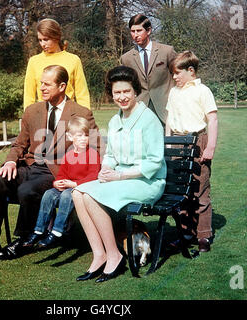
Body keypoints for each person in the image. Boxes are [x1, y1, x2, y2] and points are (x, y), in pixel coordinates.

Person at [0, 65, 102, 267]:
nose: (41, 88)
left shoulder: (81, 113)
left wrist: (75, 180)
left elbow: (95, 149)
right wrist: (11, 161)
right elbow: (20, 143)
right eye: (41, 83)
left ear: (62, 86)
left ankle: (23, 240)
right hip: (29, 166)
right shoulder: (32, 111)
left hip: (56, 172)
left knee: (27, 190)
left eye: (47, 84)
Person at [72, 66, 166, 283]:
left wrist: (119, 177)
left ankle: (114, 255)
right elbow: (112, 155)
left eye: (126, 91)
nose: (122, 97)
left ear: (135, 92)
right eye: (117, 93)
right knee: (78, 192)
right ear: (111, 94)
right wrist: (106, 170)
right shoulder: (115, 122)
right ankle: (100, 254)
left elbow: (153, 163)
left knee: (91, 196)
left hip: (147, 181)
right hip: (121, 179)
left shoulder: (149, 119)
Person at [165, 50, 218, 253]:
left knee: (200, 191)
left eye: (178, 73)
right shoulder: (174, 92)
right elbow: (169, 120)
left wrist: (210, 147)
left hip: (198, 140)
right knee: (182, 193)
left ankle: (204, 235)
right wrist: (169, 144)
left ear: (191, 71)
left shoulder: (202, 91)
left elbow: (212, 119)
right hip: (178, 142)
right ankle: (186, 234)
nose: (175, 77)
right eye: (173, 74)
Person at [22, 116, 101, 249]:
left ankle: (57, 231)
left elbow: (94, 176)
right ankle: (39, 230)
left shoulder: (92, 154)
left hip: (83, 189)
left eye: (86, 135)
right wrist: (57, 183)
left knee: (66, 195)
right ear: (70, 137)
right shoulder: (68, 156)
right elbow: (62, 175)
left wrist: (74, 185)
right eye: (79, 136)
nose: (83, 139)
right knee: (49, 193)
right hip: (68, 187)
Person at [120, 14, 176, 125]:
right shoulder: (126, 58)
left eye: (139, 31)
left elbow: (179, 76)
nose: (135, 35)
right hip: (140, 111)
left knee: (169, 142)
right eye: (132, 31)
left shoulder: (167, 51)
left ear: (148, 30)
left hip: (167, 110)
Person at [23, 18, 90, 110]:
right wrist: (28, 117)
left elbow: (82, 94)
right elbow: (28, 95)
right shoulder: (34, 61)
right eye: (40, 40)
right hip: (43, 114)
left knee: (61, 125)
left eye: (46, 39)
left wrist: (85, 118)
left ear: (56, 37)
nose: (42, 44)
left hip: (67, 114)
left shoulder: (73, 60)